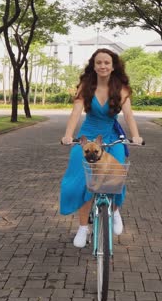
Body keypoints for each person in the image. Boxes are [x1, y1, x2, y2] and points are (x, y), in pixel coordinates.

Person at [60, 48, 143, 248]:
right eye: (99, 63)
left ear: (113, 66)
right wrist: (68, 135)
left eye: (107, 62)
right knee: (80, 180)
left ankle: (114, 211)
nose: (103, 66)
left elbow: (129, 116)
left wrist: (136, 136)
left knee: (116, 175)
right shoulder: (85, 86)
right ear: (93, 66)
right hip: (88, 137)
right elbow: (75, 113)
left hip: (112, 137)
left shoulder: (121, 89)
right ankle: (82, 227)